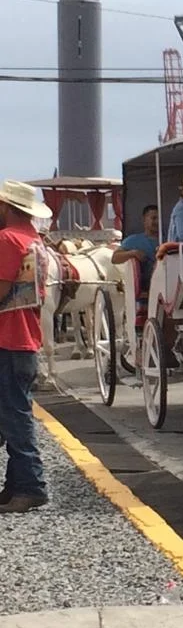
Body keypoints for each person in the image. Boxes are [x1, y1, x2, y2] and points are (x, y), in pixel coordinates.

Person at [0, 179, 53, 513]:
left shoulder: (7, 239)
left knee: (15, 416)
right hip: (27, 337)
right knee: (12, 412)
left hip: (7, 337)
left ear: (6, 208)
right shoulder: (36, 241)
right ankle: (15, 485)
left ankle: (31, 485)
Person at [112, 205, 159, 291]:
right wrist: (133, 253)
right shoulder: (133, 240)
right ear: (144, 220)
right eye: (154, 218)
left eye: (159, 218)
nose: (157, 221)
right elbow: (115, 258)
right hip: (146, 288)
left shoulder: (168, 239)